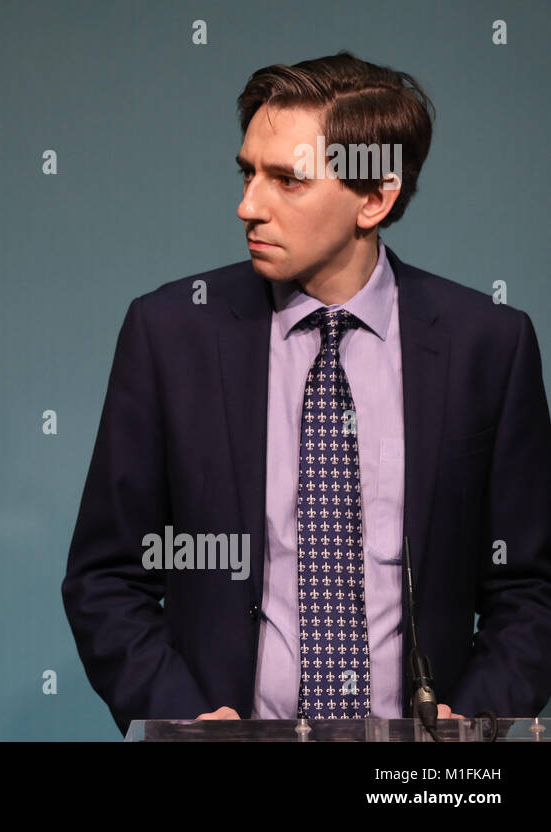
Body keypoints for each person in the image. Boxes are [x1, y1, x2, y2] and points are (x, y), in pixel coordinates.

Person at [62, 52, 551, 734]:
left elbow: (530, 587)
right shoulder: (170, 333)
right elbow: (107, 577)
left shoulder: (489, 346)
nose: (248, 205)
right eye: (248, 172)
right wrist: (188, 721)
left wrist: (471, 720)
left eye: (287, 180)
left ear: (374, 198)